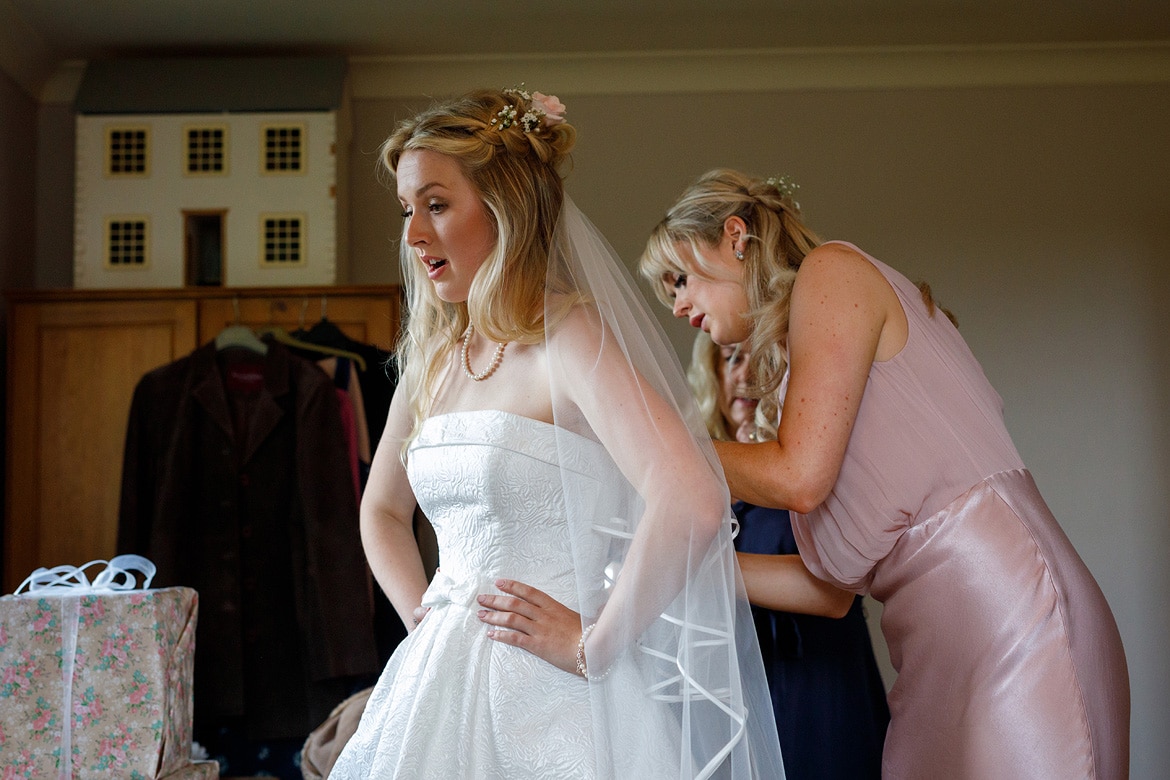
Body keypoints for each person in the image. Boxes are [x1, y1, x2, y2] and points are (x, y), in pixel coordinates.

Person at [329, 92, 785, 778]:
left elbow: (691, 496)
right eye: (406, 211)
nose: (413, 234)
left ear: (505, 206)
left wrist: (594, 644)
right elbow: (383, 511)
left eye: (437, 205)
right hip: (437, 685)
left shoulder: (569, 336)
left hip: (557, 702)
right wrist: (424, 617)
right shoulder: (435, 360)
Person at [640, 168, 1130, 778]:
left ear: (735, 236)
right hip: (935, 647)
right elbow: (826, 591)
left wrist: (648, 446)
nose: (680, 305)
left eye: (681, 280)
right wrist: (683, 568)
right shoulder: (804, 363)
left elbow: (797, 475)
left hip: (1009, 613)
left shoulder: (832, 272)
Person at [688, 330, 890, 779]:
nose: (742, 374)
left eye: (754, 359)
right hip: (739, 690)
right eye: (730, 359)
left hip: (820, 685)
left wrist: (695, 573)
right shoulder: (700, 486)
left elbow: (834, 591)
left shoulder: (811, 468)